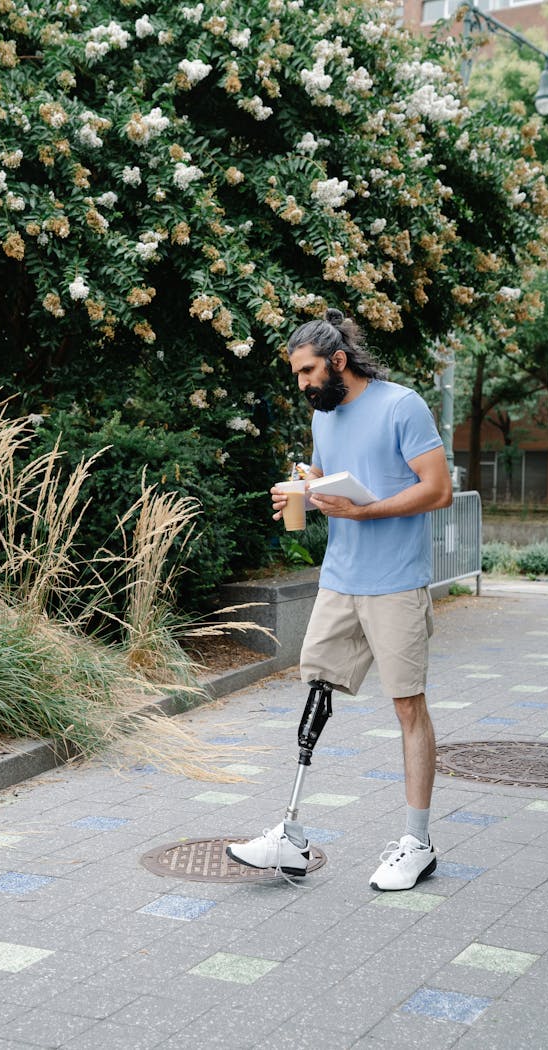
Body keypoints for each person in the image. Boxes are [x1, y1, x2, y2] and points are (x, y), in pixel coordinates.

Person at [227, 308, 453, 891]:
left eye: (307, 373)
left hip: (396, 583)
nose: (302, 385)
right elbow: (325, 478)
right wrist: (300, 492)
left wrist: (366, 509)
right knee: (317, 689)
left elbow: (439, 488)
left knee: (408, 707)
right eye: (297, 376)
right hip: (340, 579)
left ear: (338, 361)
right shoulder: (323, 417)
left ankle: (418, 843)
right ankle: (291, 838)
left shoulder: (402, 406)